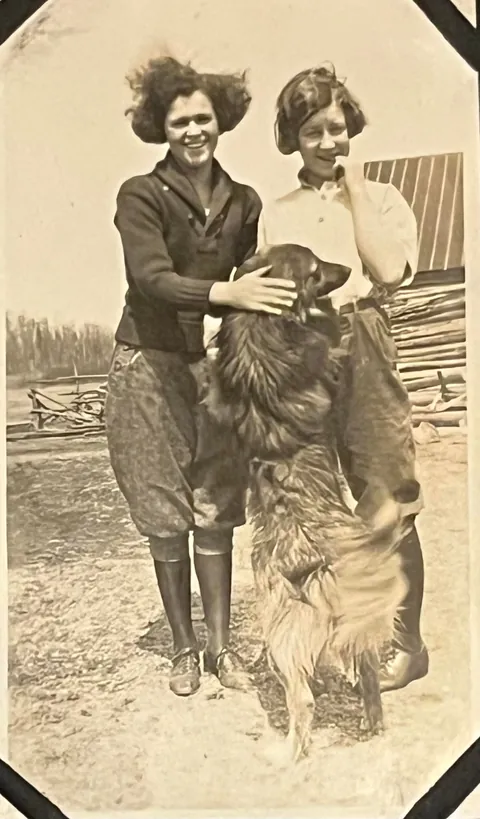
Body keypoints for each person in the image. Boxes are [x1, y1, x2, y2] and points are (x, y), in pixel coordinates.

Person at [105, 57, 297, 697]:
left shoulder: (245, 202)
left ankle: (221, 650)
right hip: (148, 366)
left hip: (213, 368)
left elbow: (255, 286)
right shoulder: (141, 194)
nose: (193, 130)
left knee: (217, 506)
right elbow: (151, 279)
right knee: (164, 509)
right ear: (160, 126)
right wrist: (228, 293)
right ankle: (184, 648)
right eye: (179, 119)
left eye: (203, 118)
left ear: (223, 122)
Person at [258, 64, 428, 693]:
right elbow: (271, 295)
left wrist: (353, 189)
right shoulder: (276, 212)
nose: (328, 142)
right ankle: (339, 638)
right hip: (300, 351)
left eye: (336, 128)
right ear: (292, 139)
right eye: (311, 132)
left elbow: (386, 266)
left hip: (364, 340)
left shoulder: (382, 197)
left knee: (387, 494)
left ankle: (405, 646)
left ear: (351, 127)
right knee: (315, 499)